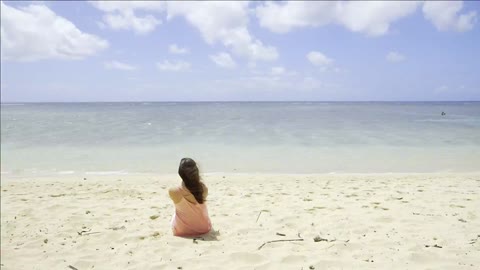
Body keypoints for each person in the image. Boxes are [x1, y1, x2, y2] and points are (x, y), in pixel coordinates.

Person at [169, 158, 212, 236]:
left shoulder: (174, 191)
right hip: (204, 228)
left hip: (181, 230)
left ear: (180, 173)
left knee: (175, 214)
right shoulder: (204, 189)